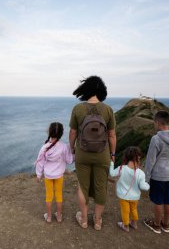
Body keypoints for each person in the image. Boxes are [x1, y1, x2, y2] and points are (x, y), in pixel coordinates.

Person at [69, 75, 117, 230]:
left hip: (82, 153)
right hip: (102, 154)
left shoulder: (78, 109)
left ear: (86, 89)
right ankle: (97, 221)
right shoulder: (108, 110)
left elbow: (72, 133)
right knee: (101, 186)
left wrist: (72, 148)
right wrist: (113, 154)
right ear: (102, 91)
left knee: (83, 186)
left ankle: (83, 219)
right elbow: (112, 135)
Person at [143, 110, 169, 234]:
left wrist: (146, 178)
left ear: (158, 123)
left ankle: (157, 225)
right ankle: (166, 225)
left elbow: (150, 160)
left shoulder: (156, 138)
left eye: (155, 122)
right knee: (167, 199)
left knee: (158, 200)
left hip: (159, 175)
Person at [35, 122, 74, 223]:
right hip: (59, 175)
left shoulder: (44, 148)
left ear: (49, 132)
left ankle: (48, 217)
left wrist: (38, 175)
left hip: (48, 176)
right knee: (59, 195)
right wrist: (72, 151)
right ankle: (59, 216)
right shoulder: (64, 147)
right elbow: (69, 160)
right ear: (61, 134)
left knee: (49, 196)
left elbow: (40, 162)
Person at [109, 147, 149, 232]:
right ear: (138, 158)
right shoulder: (141, 173)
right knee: (133, 209)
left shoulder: (121, 168)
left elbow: (112, 174)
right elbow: (143, 187)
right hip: (135, 197)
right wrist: (148, 185)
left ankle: (125, 225)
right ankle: (134, 223)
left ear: (126, 157)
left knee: (125, 210)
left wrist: (111, 163)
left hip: (123, 195)